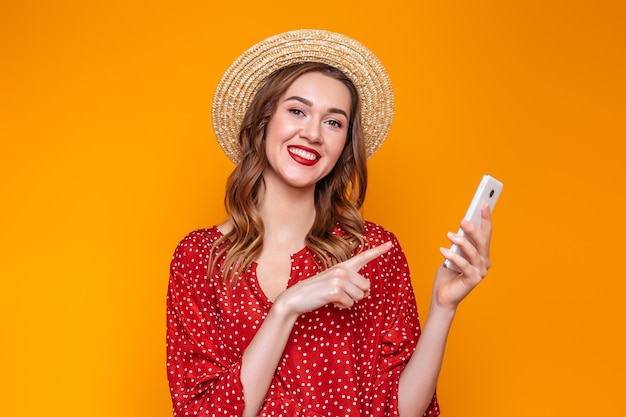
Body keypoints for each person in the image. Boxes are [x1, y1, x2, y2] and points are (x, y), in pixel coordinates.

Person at [166, 29, 494, 417]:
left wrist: (443, 306)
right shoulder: (200, 258)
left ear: (343, 148)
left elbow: (400, 410)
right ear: (263, 120)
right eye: (297, 111)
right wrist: (286, 307)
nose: (312, 133)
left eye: (334, 123)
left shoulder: (373, 251)